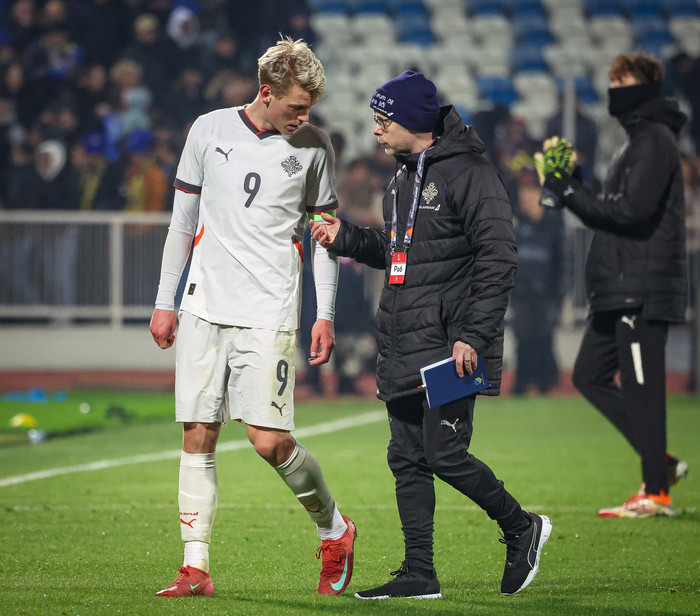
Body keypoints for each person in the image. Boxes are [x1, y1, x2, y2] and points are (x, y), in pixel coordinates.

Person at [310, 70, 551, 599]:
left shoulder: (473, 174)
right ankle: (419, 572)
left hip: (451, 345)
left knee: (445, 454)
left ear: (413, 121)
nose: (376, 131)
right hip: (404, 339)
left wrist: (473, 335)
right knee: (406, 458)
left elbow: (498, 257)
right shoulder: (401, 180)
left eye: (383, 121)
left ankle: (522, 527)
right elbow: (398, 252)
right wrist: (344, 236)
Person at [149, 37, 356, 597]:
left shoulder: (315, 147)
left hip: (269, 309)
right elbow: (181, 223)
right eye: (296, 106)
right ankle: (195, 567)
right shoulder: (208, 129)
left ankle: (334, 529)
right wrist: (165, 300)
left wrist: (325, 313)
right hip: (202, 304)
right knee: (198, 431)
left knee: (269, 442)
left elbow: (324, 238)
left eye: (309, 108)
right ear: (266, 92)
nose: (303, 117)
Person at [535, 53, 689, 518]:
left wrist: (568, 191)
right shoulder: (637, 141)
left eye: (622, 81)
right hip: (621, 285)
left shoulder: (654, 140)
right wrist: (573, 184)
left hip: (640, 286)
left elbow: (630, 212)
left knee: (643, 388)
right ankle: (658, 459)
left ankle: (656, 491)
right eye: (612, 80)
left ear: (646, 87)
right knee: (588, 374)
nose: (614, 89)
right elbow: (614, 206)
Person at [511, 181, 564, 395]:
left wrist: (558, 293)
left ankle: (546, 382)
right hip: (521, 293)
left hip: (545, 293)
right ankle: (523, 383)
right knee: (522, 337)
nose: (523, 203)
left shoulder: (553, 225)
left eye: (527, 198)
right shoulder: (517, 225)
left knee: (544, 337)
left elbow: (561, 262)